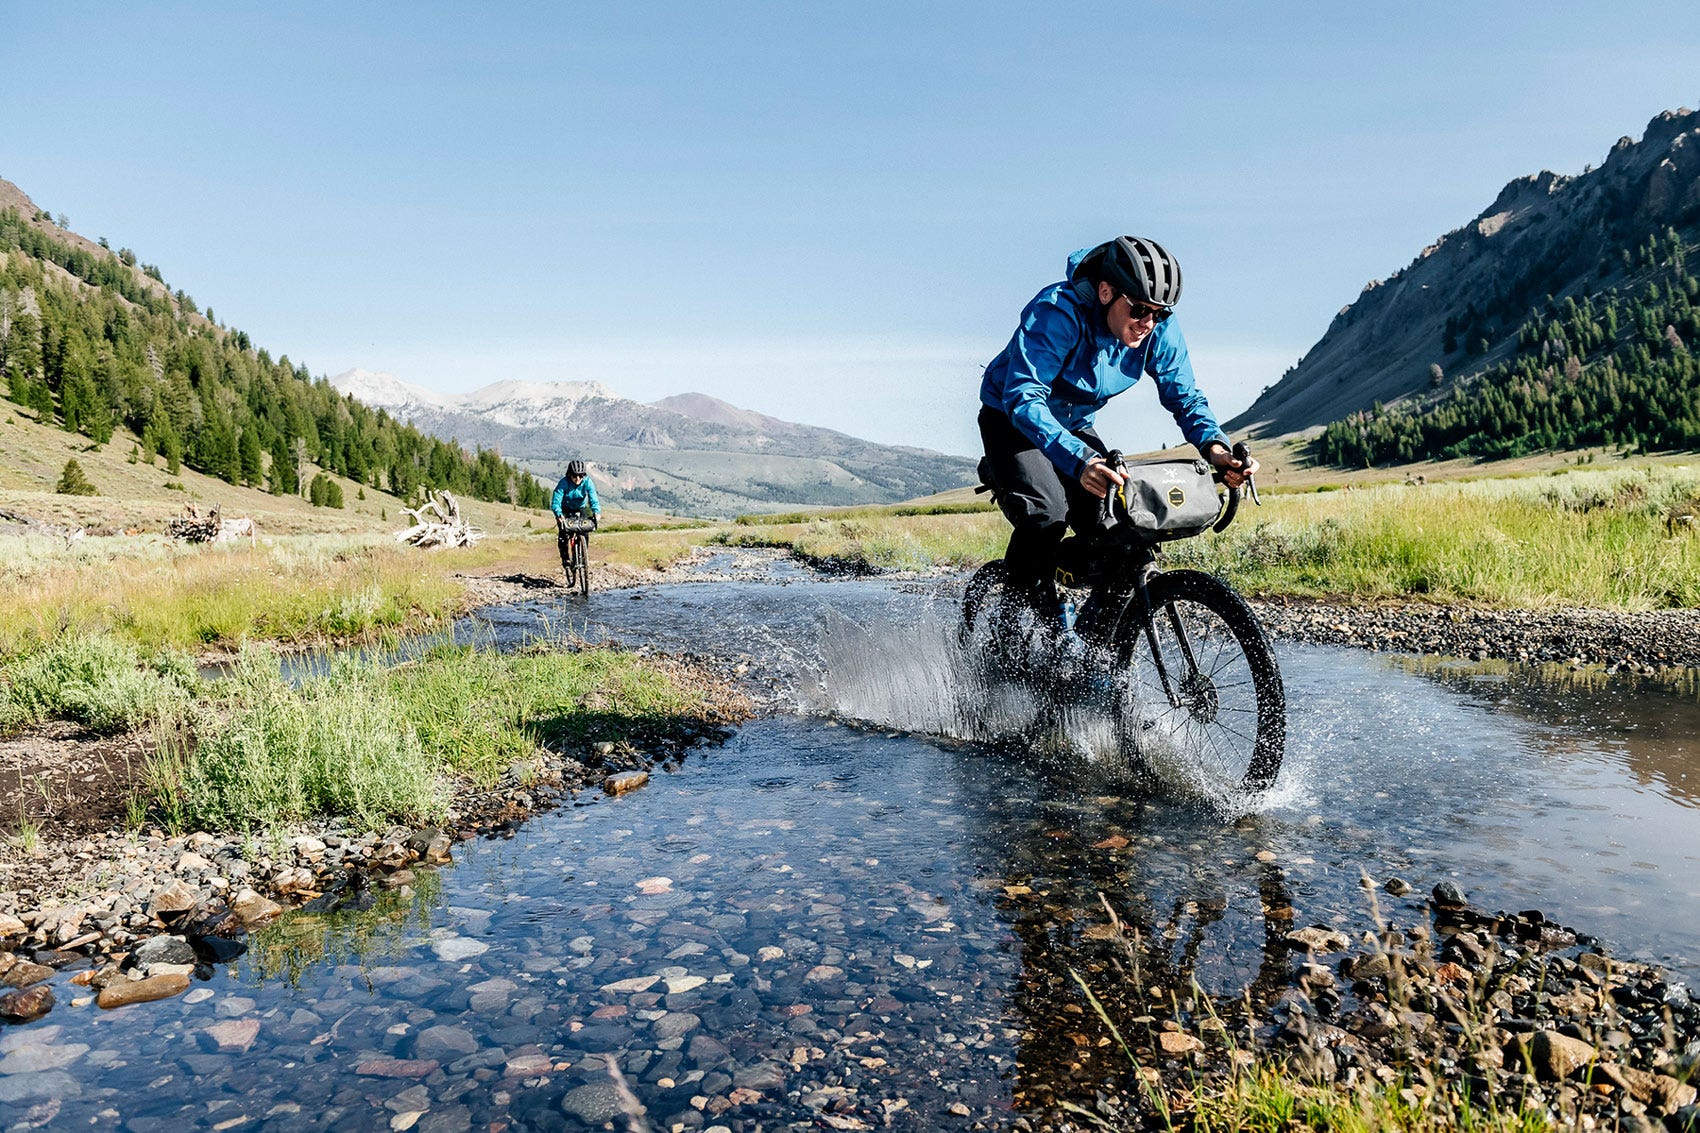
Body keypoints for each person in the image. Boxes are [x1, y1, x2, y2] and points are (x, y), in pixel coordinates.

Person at [978, 235, 1255, 630]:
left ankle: (1092, 651)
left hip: (1073, 424)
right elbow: (1024, 398)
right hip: (1012, 420)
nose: (1148, 322)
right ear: (1106, 292)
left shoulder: (1156, 328)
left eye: (1159, 313)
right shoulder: (1057, 312)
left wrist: (1216, 449)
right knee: (1047, 514)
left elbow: (1186, 396)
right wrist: (1081, 461)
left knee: (1121, 529)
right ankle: (1007, 633)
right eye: (1139, 309)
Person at [551, 459, 601, 529]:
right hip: (565, 508)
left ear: (584, 475)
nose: (578, 478)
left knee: (585, 531)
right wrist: (558, 514)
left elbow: (593, 499)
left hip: (580, 507)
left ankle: (583, 539)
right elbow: (556, 501)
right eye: (574, 475)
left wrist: (596, 512)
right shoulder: (563, 483)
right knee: (563, 530)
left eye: (581, 475)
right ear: (569, 474)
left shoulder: (588, 482)